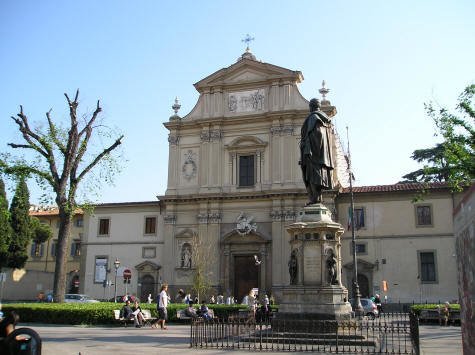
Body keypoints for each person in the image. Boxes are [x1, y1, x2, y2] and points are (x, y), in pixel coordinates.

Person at [299, 98, 334, 205]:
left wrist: (306, 145)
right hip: (320, 155)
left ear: (311, 107)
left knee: (312, 176)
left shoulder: (314, 117)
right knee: (314, 177)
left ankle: (315, 199)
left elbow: (316, 134)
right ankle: (316, 199)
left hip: (313, 154)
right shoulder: (323, 119)